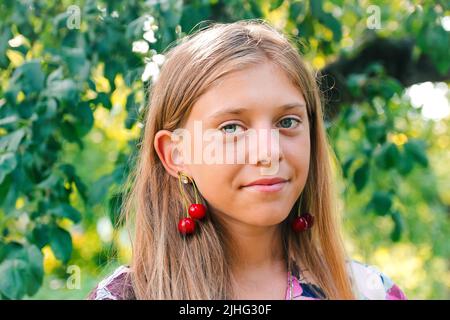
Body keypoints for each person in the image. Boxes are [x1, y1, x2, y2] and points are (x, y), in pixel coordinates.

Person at [87, 19, 407, 300]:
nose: (268, 152)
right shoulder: (124, 297)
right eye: (231, 128)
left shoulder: (367, 292)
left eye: (287, 122)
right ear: (176, 154)